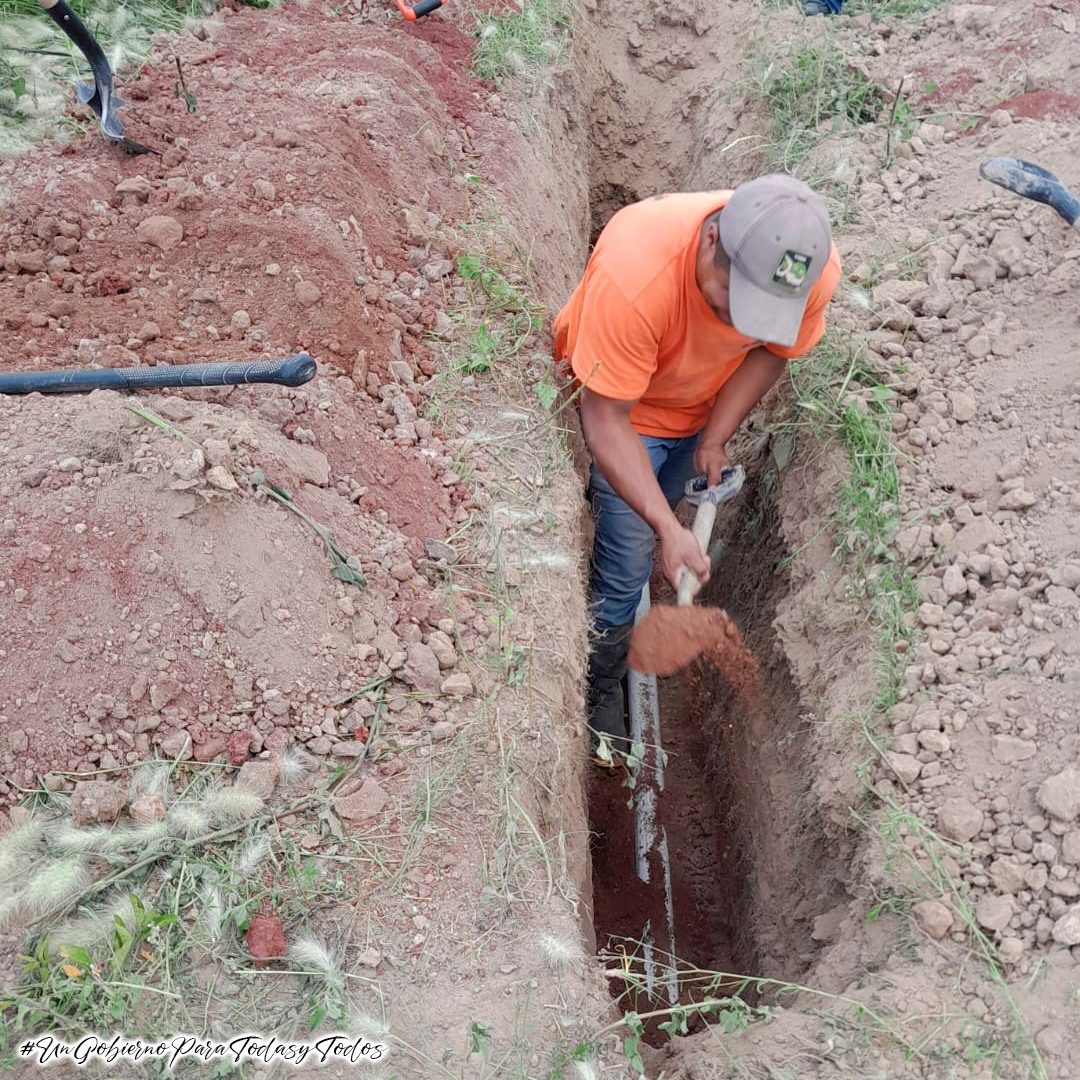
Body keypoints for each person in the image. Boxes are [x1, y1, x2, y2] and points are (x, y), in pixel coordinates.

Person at [553, 175, 842, 765]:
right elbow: (605, 417)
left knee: (650, 530)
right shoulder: (636, 273)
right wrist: (666, 527)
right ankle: (600, 688)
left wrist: (715, 437)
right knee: (624, 569)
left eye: (758, 313)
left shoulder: (806, 271)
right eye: (732, 302)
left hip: (697, 409)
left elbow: (772, 353)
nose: (740, 324)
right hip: (628, 411)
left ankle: (639, 555)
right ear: (711, 239)